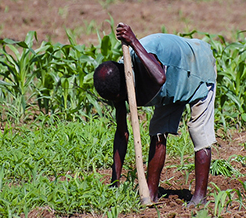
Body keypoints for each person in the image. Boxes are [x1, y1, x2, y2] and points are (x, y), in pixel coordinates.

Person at [93, 23, 217, 205]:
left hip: (197, 67)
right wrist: (115, 182)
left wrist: (133, 40)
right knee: (157, 132)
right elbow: (122, 134)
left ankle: (200, 197)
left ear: (122, 90)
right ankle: (151, 193)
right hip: (170, 89)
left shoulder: (141, 60)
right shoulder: (118, 85)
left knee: (199, 133)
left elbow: (160, 78)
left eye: (118, 98)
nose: (117, 102)